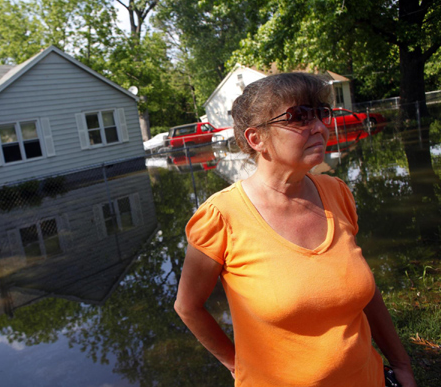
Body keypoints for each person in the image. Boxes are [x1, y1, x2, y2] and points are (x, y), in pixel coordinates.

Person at [174, 72, 417, 387]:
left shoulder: (337, 193)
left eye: (321, 114)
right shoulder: (221, 217)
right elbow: (188, 307)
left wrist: (402, 365)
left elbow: (366, 294)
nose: (319, 126)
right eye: (300, 117)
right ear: (256, 139)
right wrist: (239, 366)